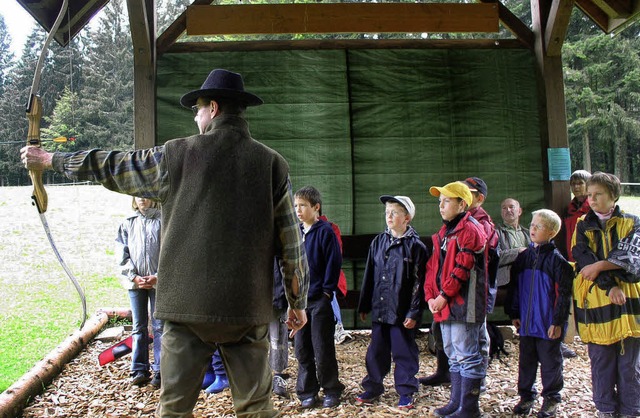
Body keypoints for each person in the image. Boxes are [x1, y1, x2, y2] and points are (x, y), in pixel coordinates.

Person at [21, 68, 309, 418]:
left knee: (174, 408)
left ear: (213, 109)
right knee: (256, 408)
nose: (196, 117)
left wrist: (52, 159)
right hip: (246, 310)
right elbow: (291, 243)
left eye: (198, 110)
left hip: (185, 309)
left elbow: (114, 165)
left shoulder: (177, 155)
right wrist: (297, 302)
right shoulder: (272, 164)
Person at [572, 172, 640, 418]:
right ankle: (605, 409)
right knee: (601, 362)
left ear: (614, 195)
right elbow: (583, 260)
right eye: (589, 195)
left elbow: (633, 262)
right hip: (597, 303)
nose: (592, 199)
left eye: (598, 194)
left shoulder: (632, 222)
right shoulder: (582, 225)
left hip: (628, 306)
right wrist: (610, 285)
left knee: (630, 365)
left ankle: (631, 410)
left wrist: (601, 266)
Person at [356, 195, 428, 410]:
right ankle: (373, 386)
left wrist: (413, 312)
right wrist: (364, 304)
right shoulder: (378, 242)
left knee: (403, 351)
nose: (389, 216)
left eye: (394, 212)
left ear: (407, 217)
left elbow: (419, 282)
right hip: (380, 308)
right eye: (387, 212)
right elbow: (369, 274)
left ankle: (406, 390)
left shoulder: (416, 247)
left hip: (401, 312)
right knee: (376, 350)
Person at [424, 181, 488, 418]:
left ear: (462, 204)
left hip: (465, 305)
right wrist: (431, 296)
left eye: (447, 201)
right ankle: (456, 402)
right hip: (445, 305)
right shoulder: (444, 233)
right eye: (440, 201)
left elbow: (462, 269)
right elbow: (433, 268)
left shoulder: (471, 230)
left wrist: (442, 296)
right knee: (452, 353)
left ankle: (469, 408)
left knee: (468, 354)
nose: (441, 206)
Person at [505, 209, 574, 418]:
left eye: (539, 226)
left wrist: (558, 322)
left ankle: (551, 398)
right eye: (532, 225)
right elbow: (515, 288)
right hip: (526, 323)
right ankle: (526, 396)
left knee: (551, 362)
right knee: (526, 361)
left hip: (548, 324)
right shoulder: (523, 258)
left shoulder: (558, 262)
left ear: (552, 232)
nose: (533, 229)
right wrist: (514, 312)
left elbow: (563, 296)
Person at [293, 186, 345, 409]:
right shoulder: (295, 233)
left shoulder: (325, 232)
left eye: (303, 205)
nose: (298, 210)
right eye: (296, 206)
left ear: (316, 207)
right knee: (302, 349)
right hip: (299, 302)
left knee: (322, 347)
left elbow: (334, 264)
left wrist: (326, 292)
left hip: (319, 300)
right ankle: (307, 391)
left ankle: (331, 389)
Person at [115, 196, 163, 388]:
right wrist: (133, 276)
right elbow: (121, 252)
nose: (142, 198)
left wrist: (158, 276)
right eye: (138, 195)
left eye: (146, 194)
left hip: (158, 283)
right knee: (139, 326)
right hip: (135, 283)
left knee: (160, 326)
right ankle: (139, 369)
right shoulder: (127, 223)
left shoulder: (163, 221)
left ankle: (160, 370)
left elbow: (168, 252)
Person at [495, 198, 531, 287]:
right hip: (507, 283)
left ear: (519, 211)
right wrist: (517, 251)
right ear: (501, 213)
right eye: (504, 208)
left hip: (529, 278)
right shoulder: (495, 233)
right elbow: (493, 257)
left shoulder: (528, 233)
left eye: (511, 207)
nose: (508, 210)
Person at [562, 169, 591, 261]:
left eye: (580, 183)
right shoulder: (569, 208)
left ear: (589, 185)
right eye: (573, 184)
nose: (576, 187)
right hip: (571, 256)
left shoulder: (593, 208)